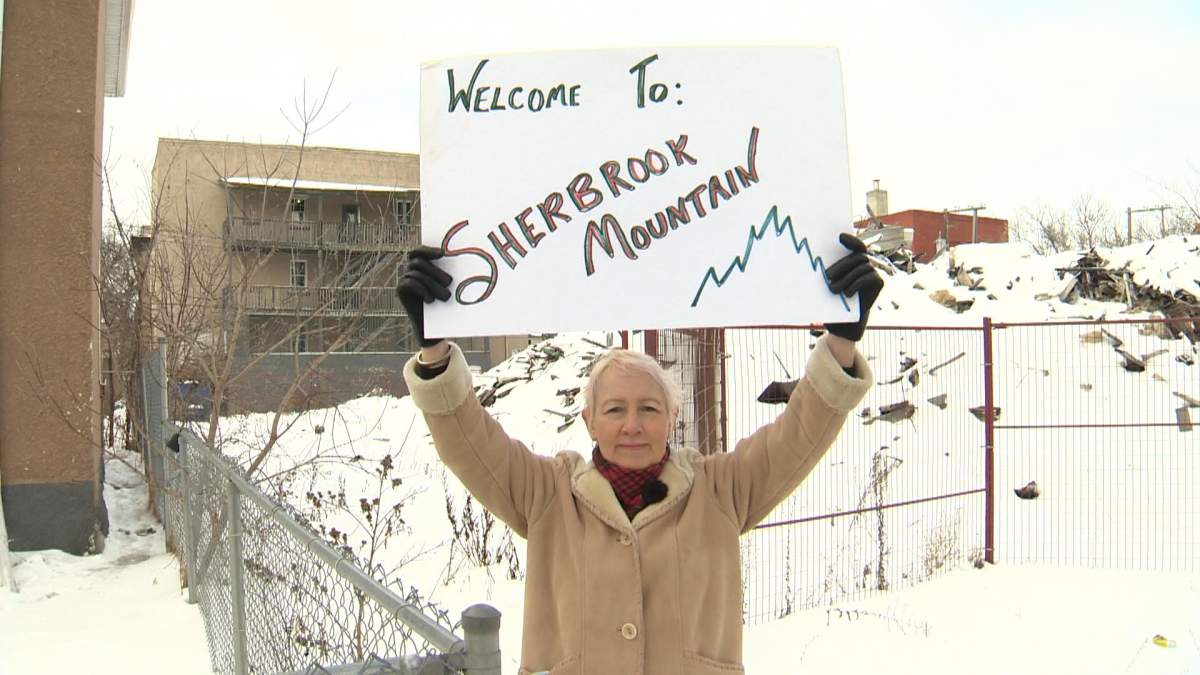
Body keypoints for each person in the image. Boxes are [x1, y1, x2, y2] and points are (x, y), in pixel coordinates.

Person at [396, 233, 882, 675]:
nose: (632, 425)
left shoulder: (720, 492)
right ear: (588, 420)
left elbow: (797, 436)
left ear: (672, 419)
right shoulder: (547, 496)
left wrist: (840, 343)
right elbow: (472, 444)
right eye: (614, 409)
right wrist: (436, 351)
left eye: (649, 408)